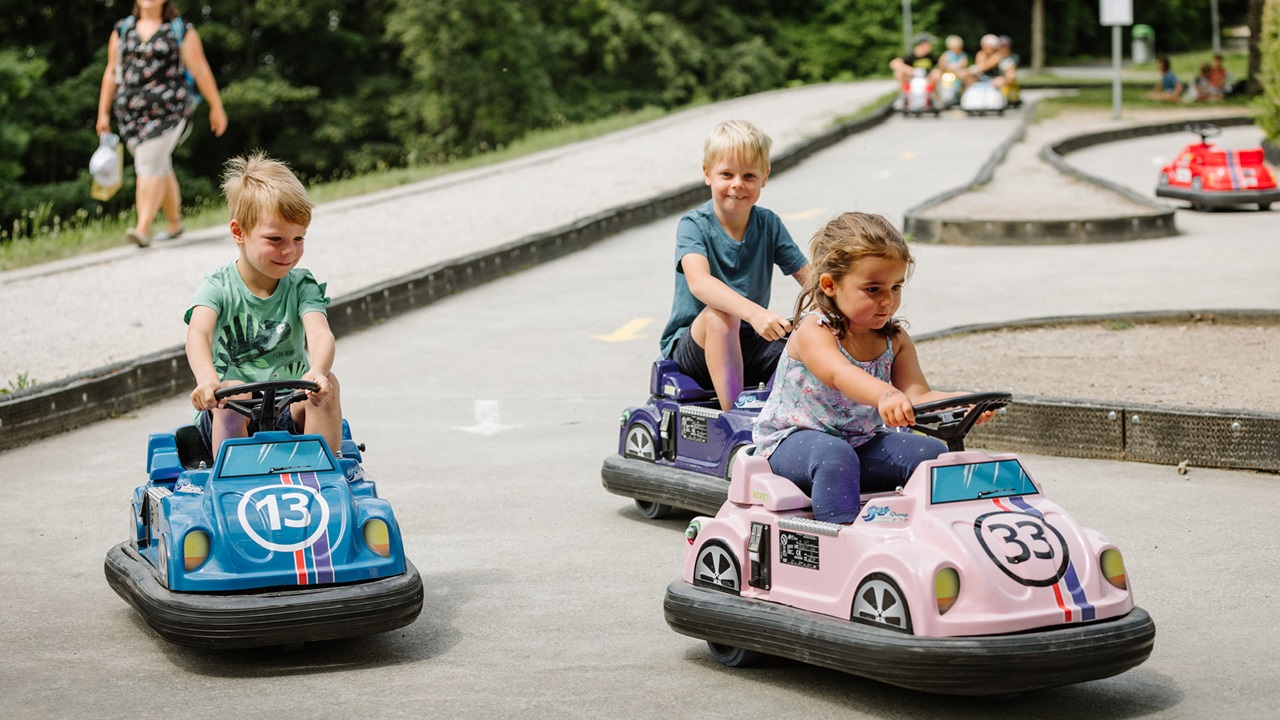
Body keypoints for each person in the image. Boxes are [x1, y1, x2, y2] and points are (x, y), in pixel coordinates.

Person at [752, 212, 987, 524]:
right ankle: (841, 540)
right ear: (830, 285)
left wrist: (962, 401)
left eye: (896, 287)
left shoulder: (895, 339)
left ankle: (943, 532)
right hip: (793, 442)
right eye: (873, 289)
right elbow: (839, 374)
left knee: (932, 455)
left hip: (860, 442)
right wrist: (886, 395)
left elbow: (917, 395)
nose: (887, 301)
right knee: (835, 456)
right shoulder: (814, 331)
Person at [185, 153, 342, 455]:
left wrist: (318, 371)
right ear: (238, 232)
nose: (290, 251)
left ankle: (324, 476)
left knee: (326, 386)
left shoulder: (301, 286)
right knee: (233, 393)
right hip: (228, 413)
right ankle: (232, 482)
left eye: (298, 238)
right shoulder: (217, 286)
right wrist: (207, 380)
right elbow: (198, 334)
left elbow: (320, 334)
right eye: (275, 239)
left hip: (288, 410)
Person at [658, 120, 811, 412]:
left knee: (809, 338)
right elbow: (699, 283)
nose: (738, 184)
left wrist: (842, 307)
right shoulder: (693, 226)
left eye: (749, 175)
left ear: (765, 176)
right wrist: (754, 313)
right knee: (722, 315)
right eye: (727, 174)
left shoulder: (768, 224)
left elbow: (810, 278)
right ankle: (735, 416)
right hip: (696, 349)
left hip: (749, 342)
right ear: (707, 174)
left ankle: (796, 413)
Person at [96, 0, 228, 248]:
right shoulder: (123, 29)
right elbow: (111, 72)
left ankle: (143, 228)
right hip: (131, 115)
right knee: (159, 164)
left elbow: (199, 69)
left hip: (170, 111)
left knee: (148, 163)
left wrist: (216, 106)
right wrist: (103, 113)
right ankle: (174, 223)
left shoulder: (180, 30)